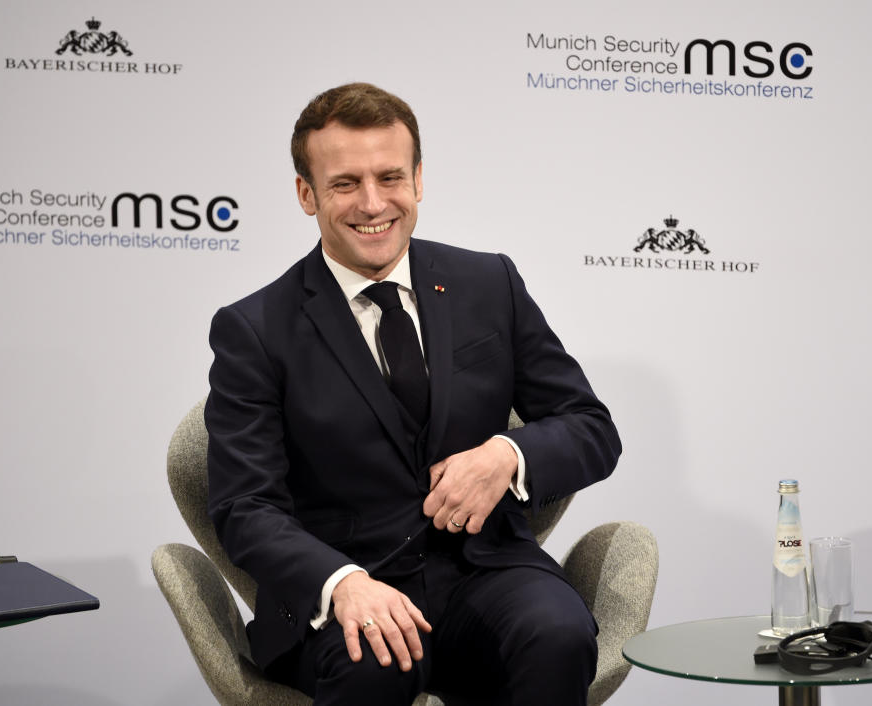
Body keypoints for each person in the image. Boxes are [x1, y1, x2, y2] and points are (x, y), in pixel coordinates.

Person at [205, 82, 622, 705]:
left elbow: (590, 427)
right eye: (345, 183)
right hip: (351, 587)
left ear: (418, 180)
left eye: (390, 177)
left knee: (557, 633)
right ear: (306, 194)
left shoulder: (490, 282)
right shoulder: (255, 329)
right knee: (378, 663)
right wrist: (341, 582)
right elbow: (245, 507)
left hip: (489, 571)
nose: (373, 203)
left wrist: (508, 456)